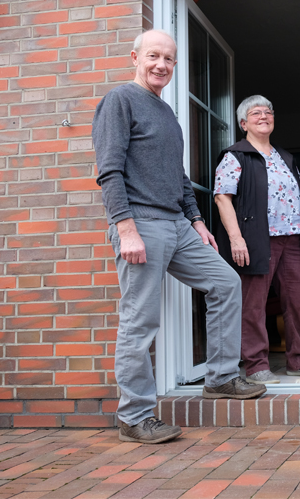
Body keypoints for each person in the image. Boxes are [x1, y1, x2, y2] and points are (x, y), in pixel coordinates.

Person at [92, 29, 266, 445]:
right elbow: (109, 170)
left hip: (177, 224)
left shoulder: (167, 113)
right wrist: (126, 227)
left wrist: (198, 221)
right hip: (141, 224)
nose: (161, 65)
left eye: (169, 60)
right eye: (154, 56)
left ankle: (221, 377)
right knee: (140, 320)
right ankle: (134, 417)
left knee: (224, 282)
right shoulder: (120, 100)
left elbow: (179, 176)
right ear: (136, 57)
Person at [213, 95, 300, 384]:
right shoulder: (235, 156)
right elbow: (222, 198)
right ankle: (256, 365)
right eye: (255, 113)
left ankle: (298, 360)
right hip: (258, 239)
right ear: (243, 123)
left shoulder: (286, 158)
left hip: (294, 238)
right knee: (254, 302)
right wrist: (236, 240)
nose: (263, 116)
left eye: (268, 112)